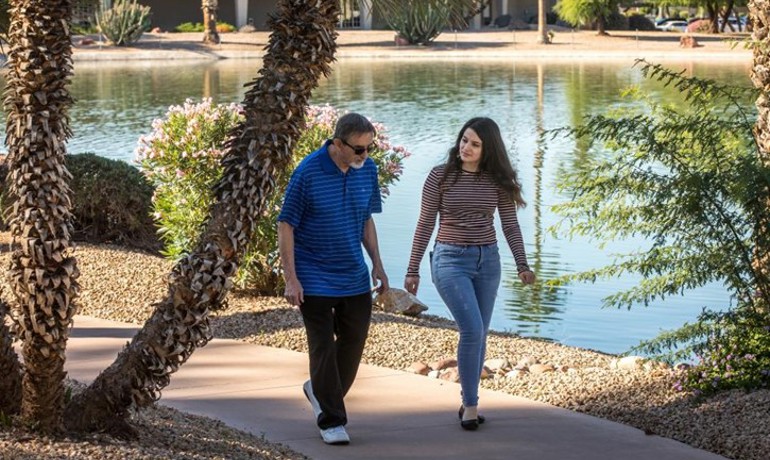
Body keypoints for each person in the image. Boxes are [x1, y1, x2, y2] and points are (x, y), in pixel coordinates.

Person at [404, 117, 535, 431]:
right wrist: (412, 268)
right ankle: (471, 405)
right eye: (464, 140)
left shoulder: (497, 180)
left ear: (488, 149)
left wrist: (522, 264)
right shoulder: (440, 176)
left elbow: (510, 225)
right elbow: (425, 223)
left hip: (487, 262)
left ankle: (469, 401)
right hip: (449, 260)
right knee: (472, 329)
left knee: (480, 332)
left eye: (475, 144)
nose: (466, 147)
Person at [278, 112, 389, 445]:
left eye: (369, 148)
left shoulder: (367, 169)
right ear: (338, 144)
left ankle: (319, 390)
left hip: (353, 274)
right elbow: (286, 224)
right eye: (358, 149)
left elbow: (366, 219)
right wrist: (291, 278)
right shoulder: (308, 172)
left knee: (353, 342)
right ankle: (331, 420)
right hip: (313, 275)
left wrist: (378, 264)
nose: (365, 155)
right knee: (323, 345)